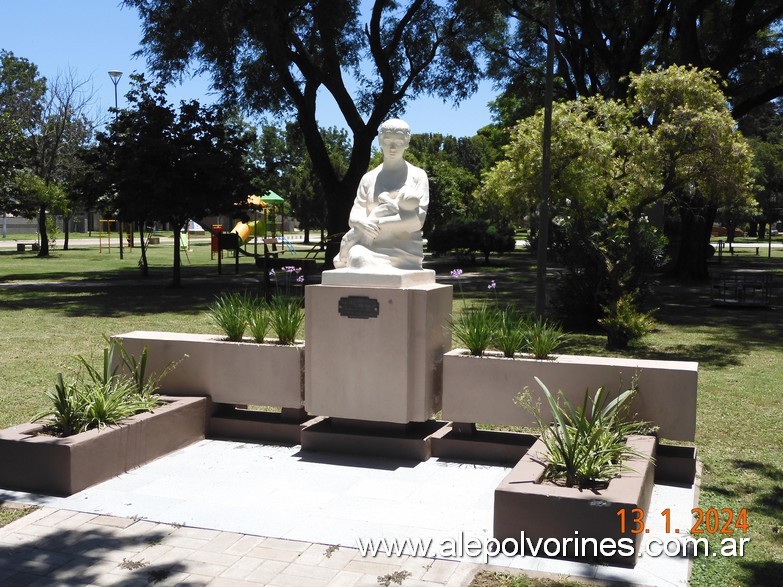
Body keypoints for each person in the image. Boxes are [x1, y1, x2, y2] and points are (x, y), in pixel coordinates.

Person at [333, 119, 429, 271]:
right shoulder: (369, 178)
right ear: (380, 141)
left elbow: (417, 221)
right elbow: (354, 217)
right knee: (358, 259)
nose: (392, 147)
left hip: (405, 251)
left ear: (407, 142)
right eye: (388, 140)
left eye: (398, 141)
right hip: (369, 246)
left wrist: (377, 223)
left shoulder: (418, 176)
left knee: (363, 264)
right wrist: (363, 224)